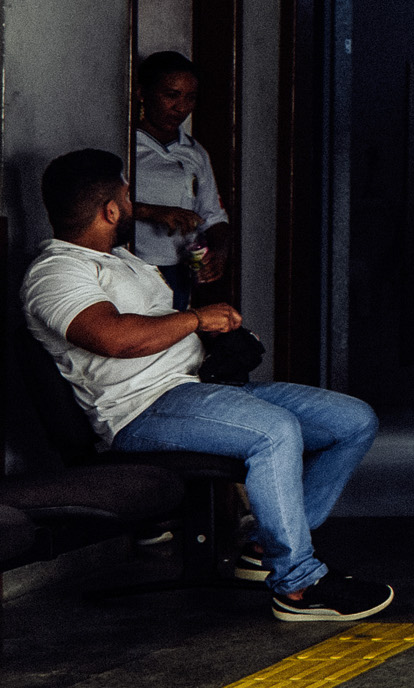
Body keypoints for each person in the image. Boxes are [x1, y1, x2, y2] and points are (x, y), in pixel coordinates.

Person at [22, 149, 391, 623]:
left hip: (197, 387)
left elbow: (156, 328)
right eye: (125, 190)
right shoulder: (56, 273)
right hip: (142, 410)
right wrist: (196, 318)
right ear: (111, 210)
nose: (131, 197)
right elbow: (114, 338)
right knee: (274, 431)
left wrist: (215, 337)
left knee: (352, 421)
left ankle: (263, 548)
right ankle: (299, 585)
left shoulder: (121, 260)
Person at [131, 51, 232, 309]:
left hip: (179, 270)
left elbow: (213, 216)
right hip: (132, 266)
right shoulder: (127, 147)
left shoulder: (195, 153)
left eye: (191, 98)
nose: (181, 107)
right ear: (143, 93)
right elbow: (99, 208)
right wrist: (152, 212)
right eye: (171, 95)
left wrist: (219, 252)